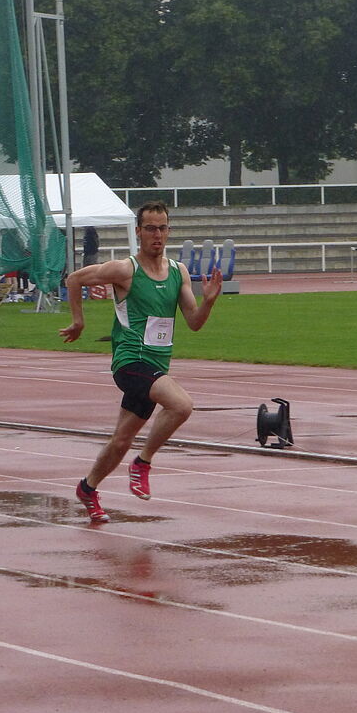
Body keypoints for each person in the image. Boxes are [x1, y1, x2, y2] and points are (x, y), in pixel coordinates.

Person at [58, 200, 222, 523]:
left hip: (156, 365)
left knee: (121, 440)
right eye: (150, 229)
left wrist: (208, 303)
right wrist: (78, 321)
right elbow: (74, 279)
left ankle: (87, 488)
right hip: (130, 361)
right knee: (181, 405)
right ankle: (142, 463)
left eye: (162, 228)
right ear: (138, 232)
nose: (156, 235)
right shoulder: (125, 270)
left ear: (169, 231)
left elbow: (194, 322)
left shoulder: (178, 272)